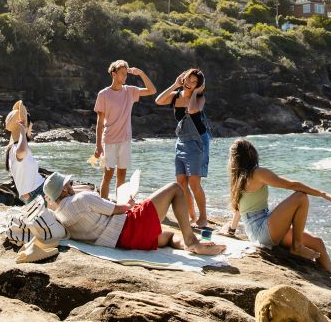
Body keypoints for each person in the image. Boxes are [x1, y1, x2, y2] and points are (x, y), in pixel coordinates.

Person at [228, 138, 331, 272]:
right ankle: (297, 247)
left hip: (260, 230)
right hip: (263, 230)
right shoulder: (257, 173)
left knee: (317, 243)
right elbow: (292, 185)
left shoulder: (239, 177)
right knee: (300, 197)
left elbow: (239, 208)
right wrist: (325, 194)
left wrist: (232, 230)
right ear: (253, 154)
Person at [43, 172, 226, 255]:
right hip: (130, 226)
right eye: (69, 184)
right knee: (175, 189)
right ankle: (192, 241)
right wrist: (129, 203)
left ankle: (190, 248)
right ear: (65, 190)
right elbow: (121, 209)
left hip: (121, 242)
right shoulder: (82, 199)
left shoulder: (60, 214)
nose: (72, 184)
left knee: (169, 236)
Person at [155, 67, 211, 228]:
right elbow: (158, 100)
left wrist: (195, 92)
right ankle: (192, 216)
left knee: (194, 182)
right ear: (183, 78)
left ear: (198, 86)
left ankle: (203, 218)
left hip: (198, 141)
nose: (190, 83)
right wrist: (174, 85)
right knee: (180, 181)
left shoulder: (200, 98)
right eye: (188, 79)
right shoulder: (175, 96)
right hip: (181, 141)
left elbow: (193, 109)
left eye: (194, 83)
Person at [94, 60, 157, 200]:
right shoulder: (103, 94)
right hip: (109, 140)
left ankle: (119, 205)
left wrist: (141, 73)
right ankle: (104, 203)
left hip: (125, 140)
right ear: (114, 74)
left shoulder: (130, 91)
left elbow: (152, 90)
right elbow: (99, 123)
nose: (125, 77)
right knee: (108, 175)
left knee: (122, 175)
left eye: (126, 74)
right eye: (122, 73)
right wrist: (98, 145)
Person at [4, 100, 45, 204]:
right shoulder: (17, 147)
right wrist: (22, 131)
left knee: (84, 188)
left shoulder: (13, 147)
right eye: (30, 126)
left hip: (37, 190)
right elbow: (21, 153)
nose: (31, 129)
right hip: (38, 192)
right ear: (25, 127)